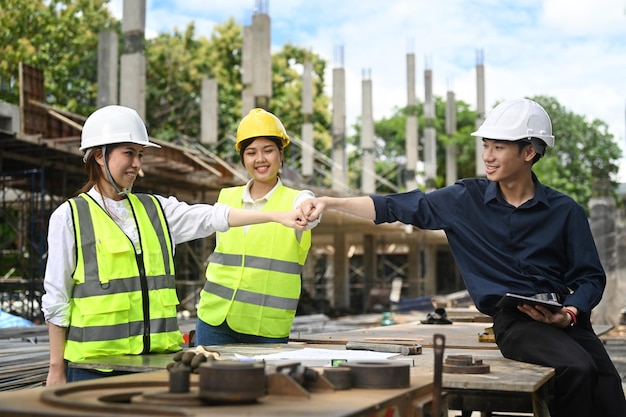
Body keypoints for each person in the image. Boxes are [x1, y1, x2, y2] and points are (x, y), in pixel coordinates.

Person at [300, 98, 626, 417]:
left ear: (529, 151)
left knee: (610, 389)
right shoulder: (462, 201)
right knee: (576, 368)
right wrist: (330, 202)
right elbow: (391, 206)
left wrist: (568, 313)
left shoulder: (565, 211)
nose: (487, 156)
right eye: (486, 146)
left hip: (565, 318)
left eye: (498, 147)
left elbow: (590, 277)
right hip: (517, 321)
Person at [41, 105, 307, 386]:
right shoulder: (69, 217)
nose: (136, 164)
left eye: (140, 155)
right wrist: (56, 368)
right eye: (128, 153)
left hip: (153, 366)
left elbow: (213, 216)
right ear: (98, 155)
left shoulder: (156, 210)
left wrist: (277, 215)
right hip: (93, 368)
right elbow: (57, 299)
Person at [195, 108, 319, 345]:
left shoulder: (296, 199)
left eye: (268, 150)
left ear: (281, 154)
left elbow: (310, 211)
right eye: (251, 152)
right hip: (215, 320)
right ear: (243, 159)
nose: (260, 159)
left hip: (266, 326)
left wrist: (309, 211)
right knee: (210, 382)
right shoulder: (225, 197)